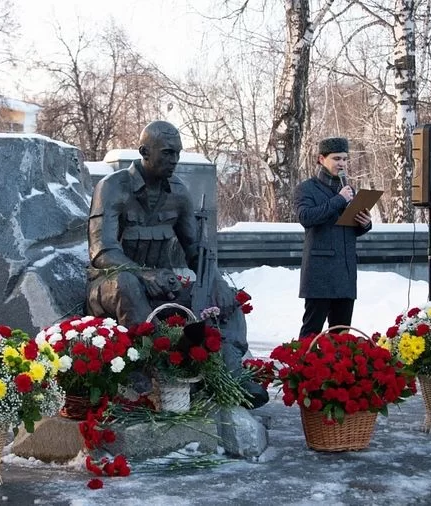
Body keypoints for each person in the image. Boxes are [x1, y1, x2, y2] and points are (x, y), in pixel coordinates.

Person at [86, 120, 268, 406]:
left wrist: (216, 283)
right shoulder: (112, 187)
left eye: (178, 154)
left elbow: (195, 250)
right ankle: (156, 373)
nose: (175, 161)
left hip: (162, 287)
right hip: (111, 286)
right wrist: (145, 275)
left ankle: (232, 375)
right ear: (144, 151)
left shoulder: (179, 193)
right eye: (168, 153)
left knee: (226, 299)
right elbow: (102, 251)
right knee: (127, 283)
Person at [294, 137, 372, 338]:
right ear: (321, 159)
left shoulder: (348, 190)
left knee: (341, 334)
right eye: (337, 158)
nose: (342, 164)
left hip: (345, 271)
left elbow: (348, 227)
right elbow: (306, 217)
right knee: (312, 331)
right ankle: (303, 367)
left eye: (345, 159)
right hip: (320, 272)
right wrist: (339, 200)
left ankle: (337, 370)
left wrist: (365, 223)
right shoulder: (307, 188)